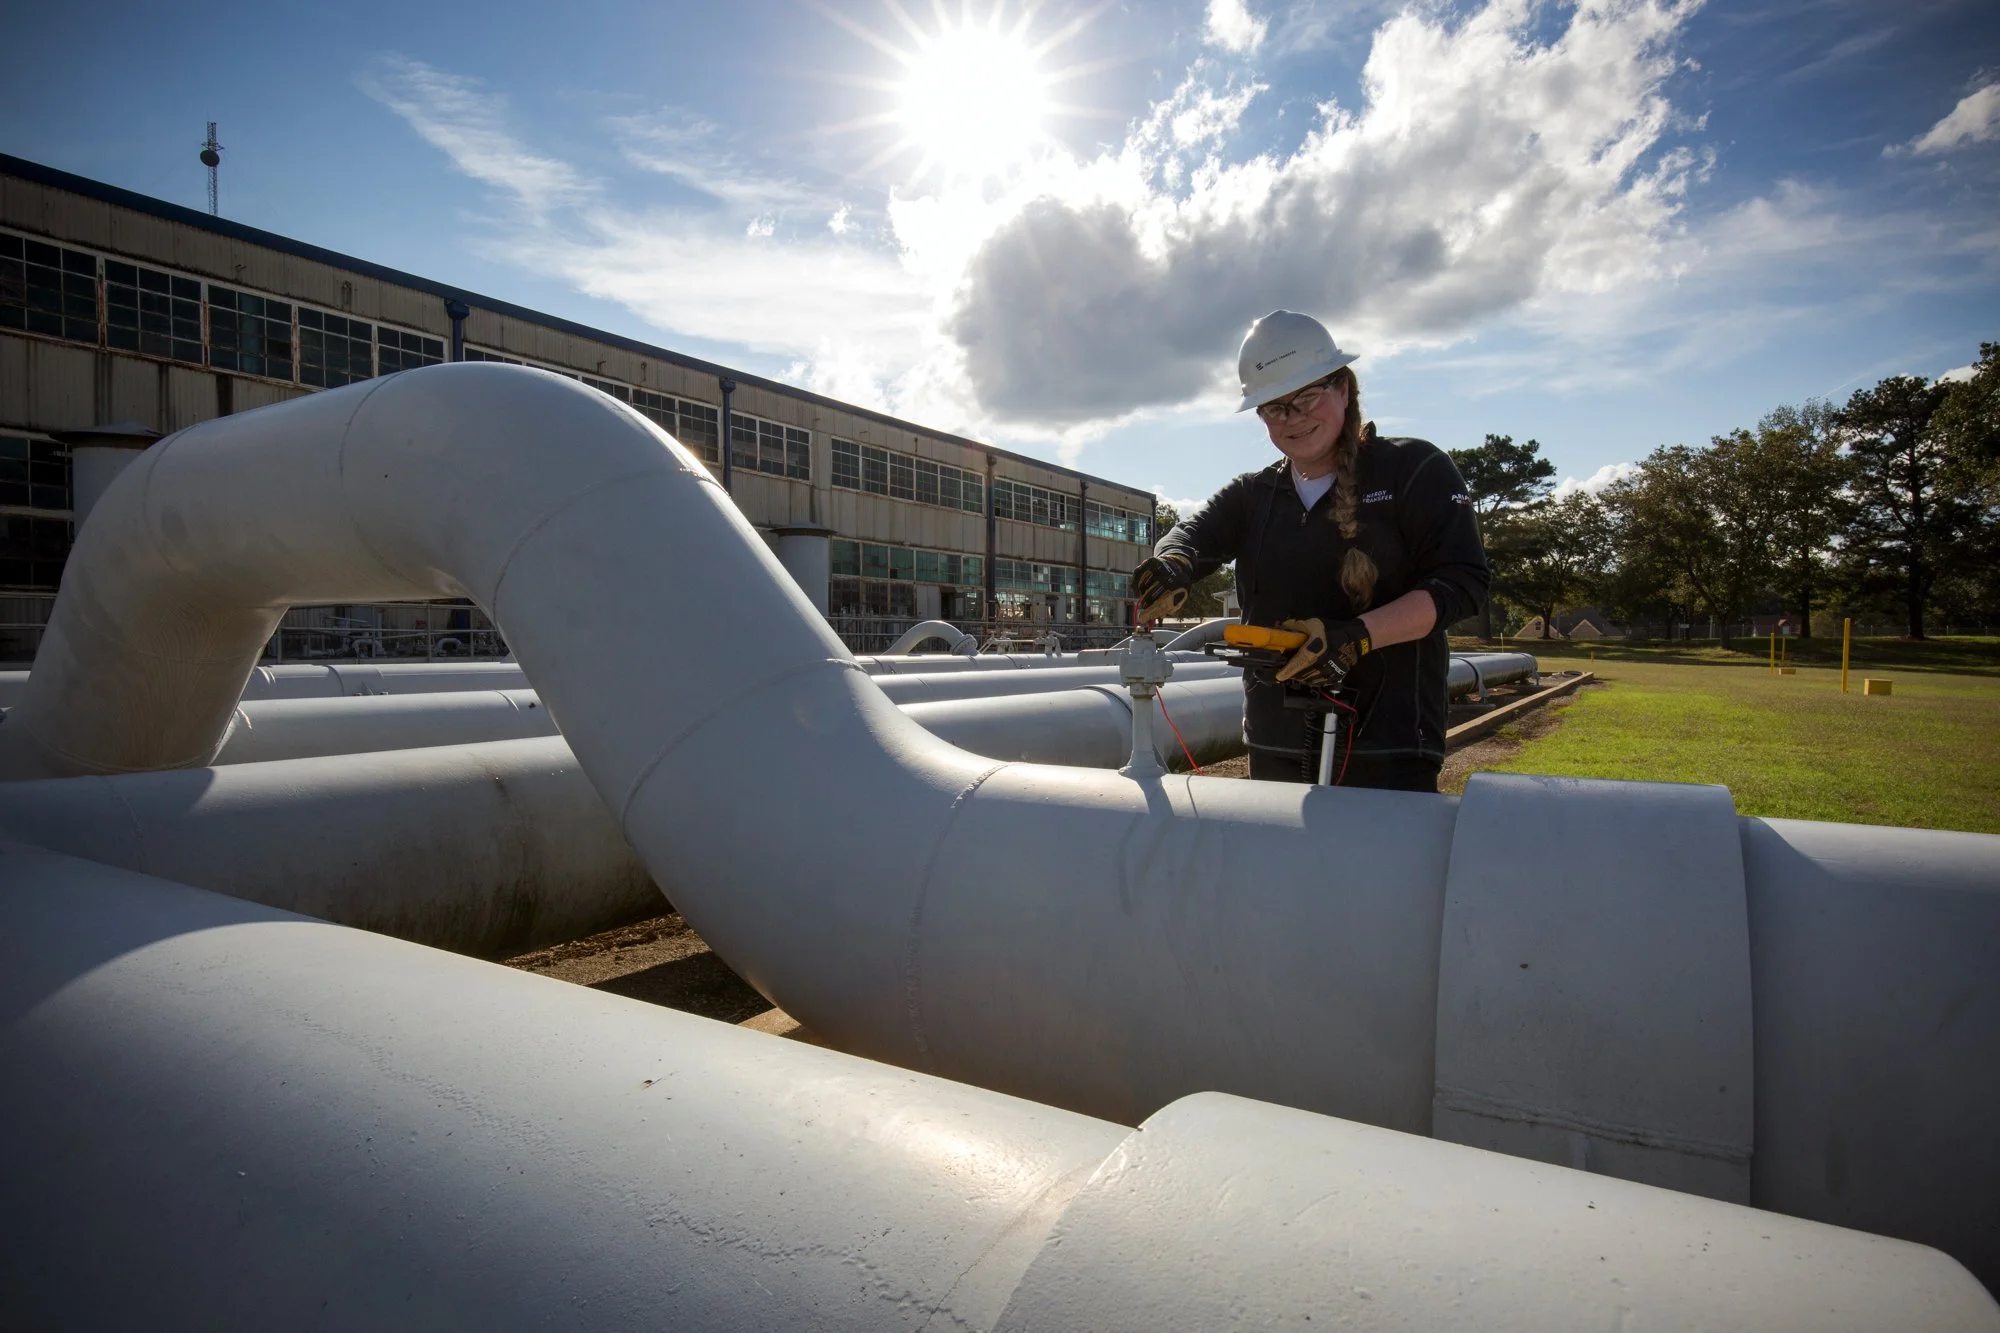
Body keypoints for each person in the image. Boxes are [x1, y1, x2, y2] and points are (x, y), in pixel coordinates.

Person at [1131, 311, 1488, 792]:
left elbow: (1461, 584)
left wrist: (1356, 637)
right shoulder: (1254, 495)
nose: (1293, 418)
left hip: (1389, 742)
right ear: (1260, 416)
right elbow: (1192, 533)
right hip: (1277, 740)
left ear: (1343, 389)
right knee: (1283, 867)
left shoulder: (1413, 469)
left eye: (1306, 397)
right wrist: (1172, 563)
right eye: (1275, 408)